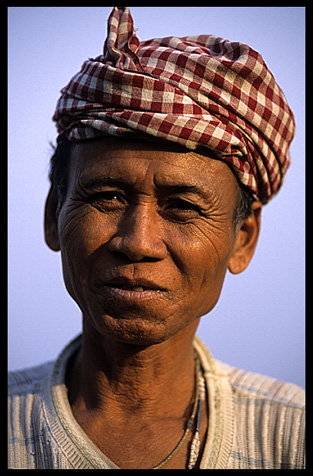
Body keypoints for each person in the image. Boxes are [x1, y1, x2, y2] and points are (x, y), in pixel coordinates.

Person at [8, 7, 304, 470]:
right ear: (53, 216)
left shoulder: (291, 437)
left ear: (242, 239)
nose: (138, 242)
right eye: (107, 197)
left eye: (182, 207)